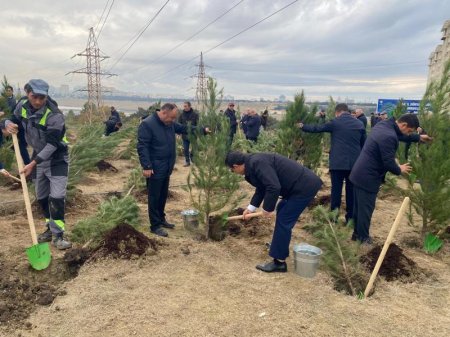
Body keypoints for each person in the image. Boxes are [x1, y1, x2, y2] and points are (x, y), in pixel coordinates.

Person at [1, 79, 71, 249]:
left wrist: (32, 164)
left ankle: (58, 235)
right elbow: (13, 119)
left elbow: (52, 145)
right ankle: (49, 228)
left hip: (57, 159)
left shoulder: (54, 114)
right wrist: (7, 123)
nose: (38, 101)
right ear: (27, 93)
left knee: (56, 197)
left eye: (42, 97)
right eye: (34, 97)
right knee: (41, 197)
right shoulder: (22, 105)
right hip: (38, 157)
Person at [226, 151, 322, 273]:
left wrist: (267, 208)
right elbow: (262, 187)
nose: (233, 173)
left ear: (236, 166)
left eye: (232, 170)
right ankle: (278, 246)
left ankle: (279, 262)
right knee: (282, 209)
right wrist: (251, 208)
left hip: (303, 187)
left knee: (284, 219)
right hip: (295, 187)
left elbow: (273, 186)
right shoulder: (252, 164)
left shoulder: (257, 163)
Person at [349, 114, 430, 243]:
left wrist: (418, 137)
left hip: (359, 172)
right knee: (365, 210)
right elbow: (388, 162)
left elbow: (400, 135)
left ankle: (356, 235)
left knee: (359, 208)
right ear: (403, 125)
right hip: (368, 177)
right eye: (409, 131)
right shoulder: (389, 136)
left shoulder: (384, 125)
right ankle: (363, 239)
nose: (408, 133)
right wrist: (399, 169)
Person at [137, 103, 209, 237]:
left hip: (167, 166)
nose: (173, 121)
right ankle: (155, 225)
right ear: (164, 112)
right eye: (171, 118)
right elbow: (142, 146)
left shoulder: (169, 123)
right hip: (155, 167)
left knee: (163, 194)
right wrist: (146, 166)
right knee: (154, 196)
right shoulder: (148, 124)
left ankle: (161, 219)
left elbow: (184, 128)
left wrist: (202, 130)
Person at [299, 103, 365, 222]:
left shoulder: (336, 122)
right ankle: (350, 219)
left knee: (336, 191)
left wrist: (302, 126)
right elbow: (363, 144)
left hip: (338, 163)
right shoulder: (359, 123)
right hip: (354, 164)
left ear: (337, 112)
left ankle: (334, 218)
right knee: (351, 191)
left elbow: (317, 129)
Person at [178, 101, 199, 167]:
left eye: (185, 106)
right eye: (184, 106)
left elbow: (198, 124)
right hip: (185, 135)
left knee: (194, 149)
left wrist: (197, 133)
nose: (184, 107)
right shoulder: (181, 115)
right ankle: (187, 162)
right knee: (186, 149)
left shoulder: (195, 114)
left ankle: (193, 159)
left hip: (193, 135)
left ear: (189, 106)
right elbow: (179, 124)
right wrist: (179, 133)